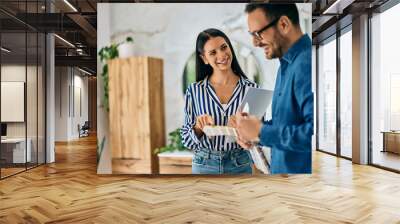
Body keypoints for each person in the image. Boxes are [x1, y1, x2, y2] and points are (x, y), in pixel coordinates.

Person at [235, 4, 313, 174]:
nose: (255, 43)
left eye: (258, 33)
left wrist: (261, 132)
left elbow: (312, 135)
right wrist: (254, 129)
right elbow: (285, 125)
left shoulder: (307, 64)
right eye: (252, 35)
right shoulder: (283, 67)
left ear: (284, 24)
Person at [181, 28, 259, 174]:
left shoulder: (252, 89)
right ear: (204, 58)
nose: (222, 55)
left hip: (240, 163)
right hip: (204, 164)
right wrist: (198, 128)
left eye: (224, 47)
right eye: (213, 52)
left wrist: (244, 129)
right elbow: (187, 140)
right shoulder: (195, 91)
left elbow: (258, 139)